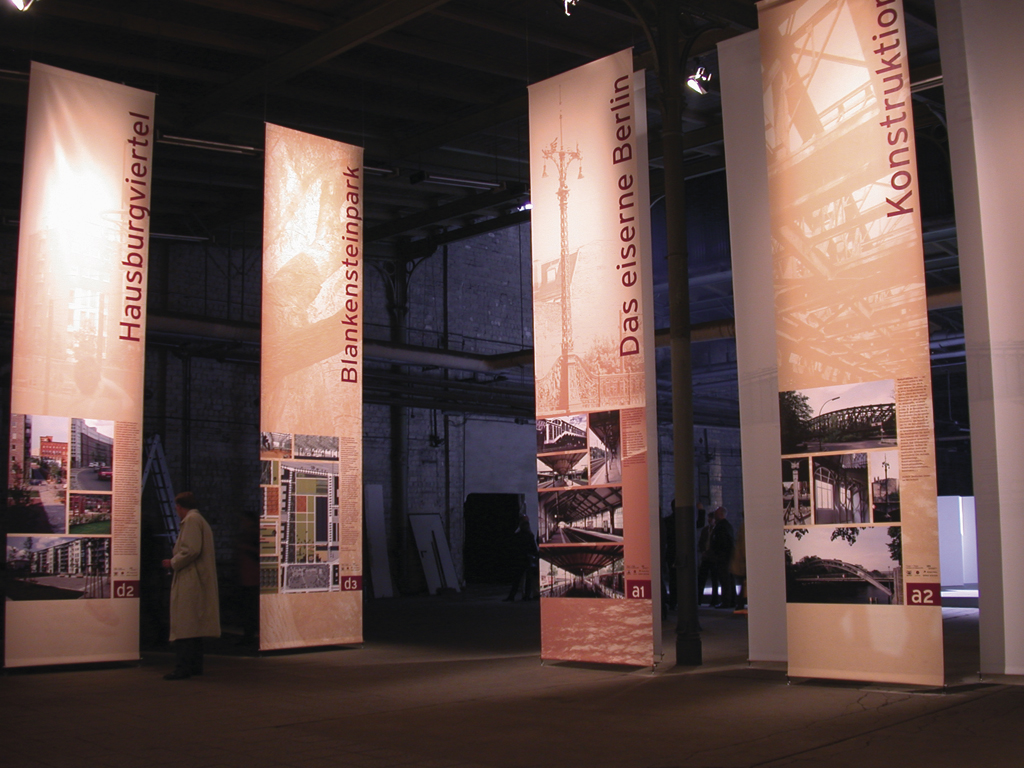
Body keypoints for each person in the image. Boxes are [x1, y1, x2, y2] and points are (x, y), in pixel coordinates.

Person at [161, 491, 220, 680]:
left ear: (180, 506)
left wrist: (172, 562)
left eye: (176, 507)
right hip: (195, 578)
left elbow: (191, 550)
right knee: (193, 626)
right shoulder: (199, 520)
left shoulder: (192, 521)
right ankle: (194, 665)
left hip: (190, 579)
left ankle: (184, 667)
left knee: (185, 624)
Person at [504, 514, 539, 601]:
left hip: (520, 559)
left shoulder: (517, 535)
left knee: (517, 579)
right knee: (528, 579)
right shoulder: (530, 535)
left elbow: (514, 548)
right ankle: (527, 596)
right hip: (527, 559)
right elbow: (534, 548)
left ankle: (512, 596)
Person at [709, 506, 736, 608]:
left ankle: (726, 601)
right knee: (728, 580)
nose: (714, 516)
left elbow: (721, 542)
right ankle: (731, 600)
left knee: (725, 580)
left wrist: (716, 552)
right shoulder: (727, 526)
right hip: (726, 556)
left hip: (723, 557)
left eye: (716, 514)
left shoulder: (721, 527)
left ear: (720, 514)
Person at [696, 506, 719, 606]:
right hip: (706, 557)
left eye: (711, 518)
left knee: (714, 580)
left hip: (713, 558)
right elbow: (701, 542)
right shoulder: (705, 530)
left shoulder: (717, 530)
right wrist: (703, 551)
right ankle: (699, 599)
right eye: (709, 518)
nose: (709, 520)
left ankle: (715, 600)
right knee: (701, 579)